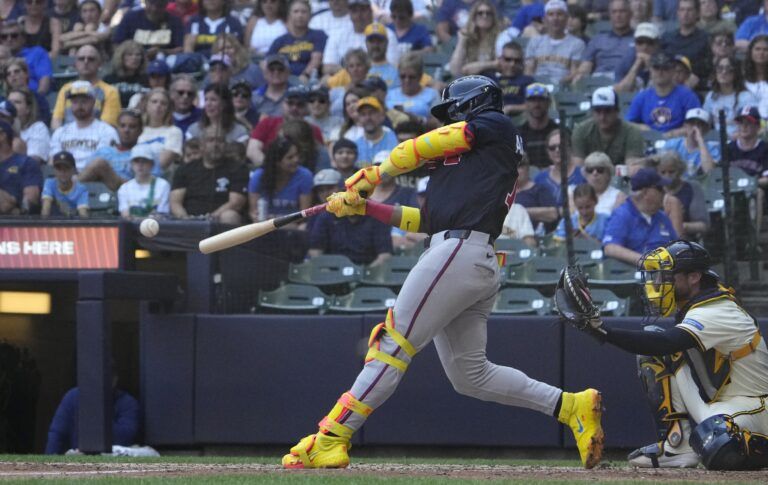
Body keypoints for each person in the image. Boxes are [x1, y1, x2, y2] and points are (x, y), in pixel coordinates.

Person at [281, 75, 604, 470]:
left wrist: (378, 173)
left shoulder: (495, 125)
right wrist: (365, 207)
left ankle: (331, 437)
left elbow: (430, 145)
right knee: (471, 375)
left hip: (460, 252)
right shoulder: (468, 168)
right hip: (464, 255)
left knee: (392, 343)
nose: (447, 119)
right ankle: (571, 406)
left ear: (471, 104)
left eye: (453, 110)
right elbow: (427, 220)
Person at [568, 240, 768, 470]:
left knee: (718, 441)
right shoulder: (696, 305)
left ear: (694, 277)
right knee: (655, 350)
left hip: (756, 409)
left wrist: (603, 331)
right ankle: (677, 446)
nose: (658, 282)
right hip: (724, 406)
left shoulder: (717, 309)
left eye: (666, 275)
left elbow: (665, 342)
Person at [170, 125, 248, 224]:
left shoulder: (238, 168)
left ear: (226, 145)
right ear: (202, 145)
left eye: (220, 141)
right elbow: (175, 203)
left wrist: (208, 219)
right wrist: (187, 220)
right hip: (189, 221)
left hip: (220, 220)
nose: (216, 144)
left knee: (230, 216)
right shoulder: (185, 169)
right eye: (210, 140)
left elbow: (236, 203)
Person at [602, 167, 678, 265]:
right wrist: (648, 261)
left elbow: (676, 248)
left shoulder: (662, 217)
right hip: (633, 276)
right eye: (660, 189)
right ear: (645, 192)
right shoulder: (623, 214)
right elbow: (610, 248)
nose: (664, 193)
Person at [49, 81, 120, 172]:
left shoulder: (107, 131)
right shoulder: (60, 132)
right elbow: (53, 161)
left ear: (93, 102)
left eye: (84, 101)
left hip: (95, 181)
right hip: (65, 177)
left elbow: (104, 164)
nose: (79, 106)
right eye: (75, 102)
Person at [625, 51, 701, 135]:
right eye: (656, 68)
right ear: (650, 70)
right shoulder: (642, 97)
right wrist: (643, 128)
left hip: (679, 142)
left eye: (665, 68)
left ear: (673, 71)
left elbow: (697, 125)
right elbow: (628, 124)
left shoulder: (688, 96)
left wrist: (674, 133)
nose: (660, 72)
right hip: (648, 141)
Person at [247, 85, 324, 164]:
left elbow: (320, 157)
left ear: (307, 107)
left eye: (300, 104)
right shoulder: (267, 123)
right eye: (290, 103)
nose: (294, 108)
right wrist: (271, 168)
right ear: (283, 104)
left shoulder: (313, 130)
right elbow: (252, 150)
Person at [51, 45, 121, 130]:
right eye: (81, 59)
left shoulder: (110, 91)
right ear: (75, 64)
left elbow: (108, 126)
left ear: (99, 64)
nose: (86, 62)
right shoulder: (66, 89)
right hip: (67, 139)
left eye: (91, 59)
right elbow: (56, 120)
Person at [322, 0, 399, 75]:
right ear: (349, 14)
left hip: (379, 79)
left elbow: (392, 65)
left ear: (371, 11)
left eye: (363, 10)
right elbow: (327, 67)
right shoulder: (337, 34)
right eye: (354, 11)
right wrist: (353, 71)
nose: (359, 15)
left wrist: (356, 70)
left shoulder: (386, 34)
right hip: (346, 82)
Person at [573, 87, 645, 166]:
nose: (602, 117)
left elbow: (633, 167)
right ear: (592, 112)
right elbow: (578, 168)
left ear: (617, 112)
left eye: (607, 111)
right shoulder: (581, 131)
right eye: (598, 111)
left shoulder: (632, 132)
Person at [248, 135, 314, 221]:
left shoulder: (305, 176)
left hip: (292, 225)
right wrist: (256, 216)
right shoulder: (258, 177)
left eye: (297, 155)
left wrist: (276, 221)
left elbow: (304, 215)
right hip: (264, 224)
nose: (296, 160)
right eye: (290, 157)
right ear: (277, 162)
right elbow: (253, 211)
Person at [79, 110, 143, 192]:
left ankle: (69, 190)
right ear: (117, 129)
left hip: (127, 190)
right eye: (122, 126)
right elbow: (86, 173)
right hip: (97, 191)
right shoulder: (103, 151)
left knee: (100, 164)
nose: (126, 130)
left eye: (132, 127)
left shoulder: (143, 154)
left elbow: (150, 183)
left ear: (140, 131)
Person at [524, 0, 585, 86]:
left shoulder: (577, 44)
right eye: (551, 14)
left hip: (563, 88)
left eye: (559, 14)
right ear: (545, 19)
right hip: (537, 88)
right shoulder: (534, 42)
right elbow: (528, 71)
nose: (555, 18)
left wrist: (556, 84)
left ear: (566, 18)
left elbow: (574, 73)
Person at [572, 0, 634, 83]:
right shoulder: (598, 39)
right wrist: (580, 75)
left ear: (630, 14)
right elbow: (586, 66)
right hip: (599, 80)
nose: (618, 15)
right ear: (610, 15)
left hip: (626, 80)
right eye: (614, 12)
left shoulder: (639, 40)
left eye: (622, 11)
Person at [268, 0, 327, 81]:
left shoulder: (318, 35)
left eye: (304, 12)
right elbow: (267, 62)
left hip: (308, 80)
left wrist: (305, 75)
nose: (300, 15)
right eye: (296, 12)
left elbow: (316, 59)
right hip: (282, 80)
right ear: (289, 16)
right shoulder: (279, 41)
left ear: (310, 15)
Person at [656, 150, 708, 238]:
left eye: (671, 172)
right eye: (663, 172)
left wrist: (679, 225)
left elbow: (703, 225)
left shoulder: (693, 188)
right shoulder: (654, 190)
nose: (667, 176)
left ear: (680, 171)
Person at [702, 56, 758, 137]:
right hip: (717, 141)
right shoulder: (711, 96)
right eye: (720, 68)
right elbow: (704, 122)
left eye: (729, 69)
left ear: (736, 73)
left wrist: (740, 135)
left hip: (741, 141)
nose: (723, 72)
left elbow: (758, 125)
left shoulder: (746, 97)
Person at [112, 0, 185, 59]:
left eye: (159, 5)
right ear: (145, 2)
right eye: (151, 3)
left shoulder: (174, 21)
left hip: (164, 62)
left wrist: (162, 51)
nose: (154, 9)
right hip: (132, 60)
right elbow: (117, 44)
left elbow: (180, 48)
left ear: (166, 5)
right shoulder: (131, 17)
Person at [660, 0, 711, 83]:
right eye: (682, 10)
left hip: (696, 86)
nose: (685, 13)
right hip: (668, 83)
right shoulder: (667, 37)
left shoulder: (706, 38)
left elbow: (708, 68)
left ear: (697, 13)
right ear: (677, 13)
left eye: (689, 10)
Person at [448, 0, 502, 78]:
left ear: (493, 18)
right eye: (480, 13)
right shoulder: (467, 38)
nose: (484, 16)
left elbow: (502, 63)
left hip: (492, 79)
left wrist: (477, 66)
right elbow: (455, 71)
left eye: (488, 13)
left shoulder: (500, 37)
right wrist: (462, 40)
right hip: (470, 81)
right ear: (474, 17)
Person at [117, 144, 171, 218]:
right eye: (136, 161)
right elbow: (125, 215)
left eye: (144, 161)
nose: (140, 165)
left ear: (152, 164)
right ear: (131, 164)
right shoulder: (124, 188)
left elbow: (162, 214)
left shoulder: (163, 185)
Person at [138, 88, 183, 174]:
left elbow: (161, 164)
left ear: (168, 108)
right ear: (146, 105)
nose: (158, 105)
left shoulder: (174, 132)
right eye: (154, 101)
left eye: (163, 103)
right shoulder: (137, 129)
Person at [535, 128, 587, 204]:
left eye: (561, 146)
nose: (557, 150)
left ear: (570, 148)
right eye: (552, 148)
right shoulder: (539, 179)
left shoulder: (583, 175)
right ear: (548, 152)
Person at [0, 120, 41, 215]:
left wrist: (13, 207)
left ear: (2, 135)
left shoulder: (26, 163)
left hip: (15, 225)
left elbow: (30, 203)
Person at [0, 19, 51, 95]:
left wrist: (38, 99)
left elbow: (45, 79)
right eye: (4, 37)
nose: (9, 39)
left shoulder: (37, 53)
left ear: (23, 38)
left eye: (14, 36)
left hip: (31, 97)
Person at [385, 52, 438, 121]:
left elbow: (438, 124)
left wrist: (417, 120)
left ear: (420, 76)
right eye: (403, 76)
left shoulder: (432, 95)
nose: (407, 80)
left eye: (412, 77)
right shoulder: (389, 95)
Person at [517, 83, 558, 169]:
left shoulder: (558, 131)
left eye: (541, 100)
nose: (537, 104)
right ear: (526, 103)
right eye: (532, 100)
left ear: (548, 103)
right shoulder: (518, 134)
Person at [614, 22, 661, 93]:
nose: (644, 47)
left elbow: (662, 90)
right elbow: (621, 92)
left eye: (650, 42)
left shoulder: (664, 61)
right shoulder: (626, 60)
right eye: (640, 42)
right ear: (635, 43)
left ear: (657, 44)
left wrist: (650, 66)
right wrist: (636, 65)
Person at [7, 87, 49, 164]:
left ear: (28, 109)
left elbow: (34, 161)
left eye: (17, 102)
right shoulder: (2, 130)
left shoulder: (38, 128)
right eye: (9, 102)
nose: (11, 106)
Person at [352, 96, 398, 167]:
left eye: (372, 113)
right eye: (363, 114)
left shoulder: (394, 139)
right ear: (359, 119)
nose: (368, 118)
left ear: (382, 115)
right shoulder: (355, 144)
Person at [41, 151, 89, 217]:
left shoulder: (81, 189)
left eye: (66, 168)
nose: (62, 172)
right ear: (54, 170)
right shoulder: (49, 183)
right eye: (59, 168)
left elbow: (83, 216)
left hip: (73, 225)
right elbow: (45, 210)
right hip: (53, 224)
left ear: (73, 170)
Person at [4, 58, 51, 125]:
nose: (12, 75)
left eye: (16, 71)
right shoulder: (3, 101)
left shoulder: (39, 99)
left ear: (26, 74)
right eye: (8, 74)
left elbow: (45, 121)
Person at [104, 41, 149, 109]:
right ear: (121, 57)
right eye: (130, 54)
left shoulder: (147, 79)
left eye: (138, 55)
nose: (134, 58)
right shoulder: (109, 79)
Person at [493, 42, 533, 116]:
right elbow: (466, 70)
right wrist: (494, 64)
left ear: (521, 62)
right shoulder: (491, 79)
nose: (512, 64)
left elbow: (533, 105)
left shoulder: (527, 81)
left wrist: (510, 108)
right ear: (500, 59)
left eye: (517, 61)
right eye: (508, 59)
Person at [581, 151, 626, 216]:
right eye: (590, 170)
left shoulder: (618, 196)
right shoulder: (578, 194)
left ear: (609, 174)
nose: (595, 173)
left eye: (600, 170)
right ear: (586, 175)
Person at [252, 54, 291, 119]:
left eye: (280, 69)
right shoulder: (254, 96)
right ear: (264, 73)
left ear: (288, 72)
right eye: (271, 69)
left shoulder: (296, 94)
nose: (276, 72)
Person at [743, 35, 768, 119]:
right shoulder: (741, 77)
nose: (761, 53)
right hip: (747, 122)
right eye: (757, 49)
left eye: (765, 49)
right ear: (751, 52)